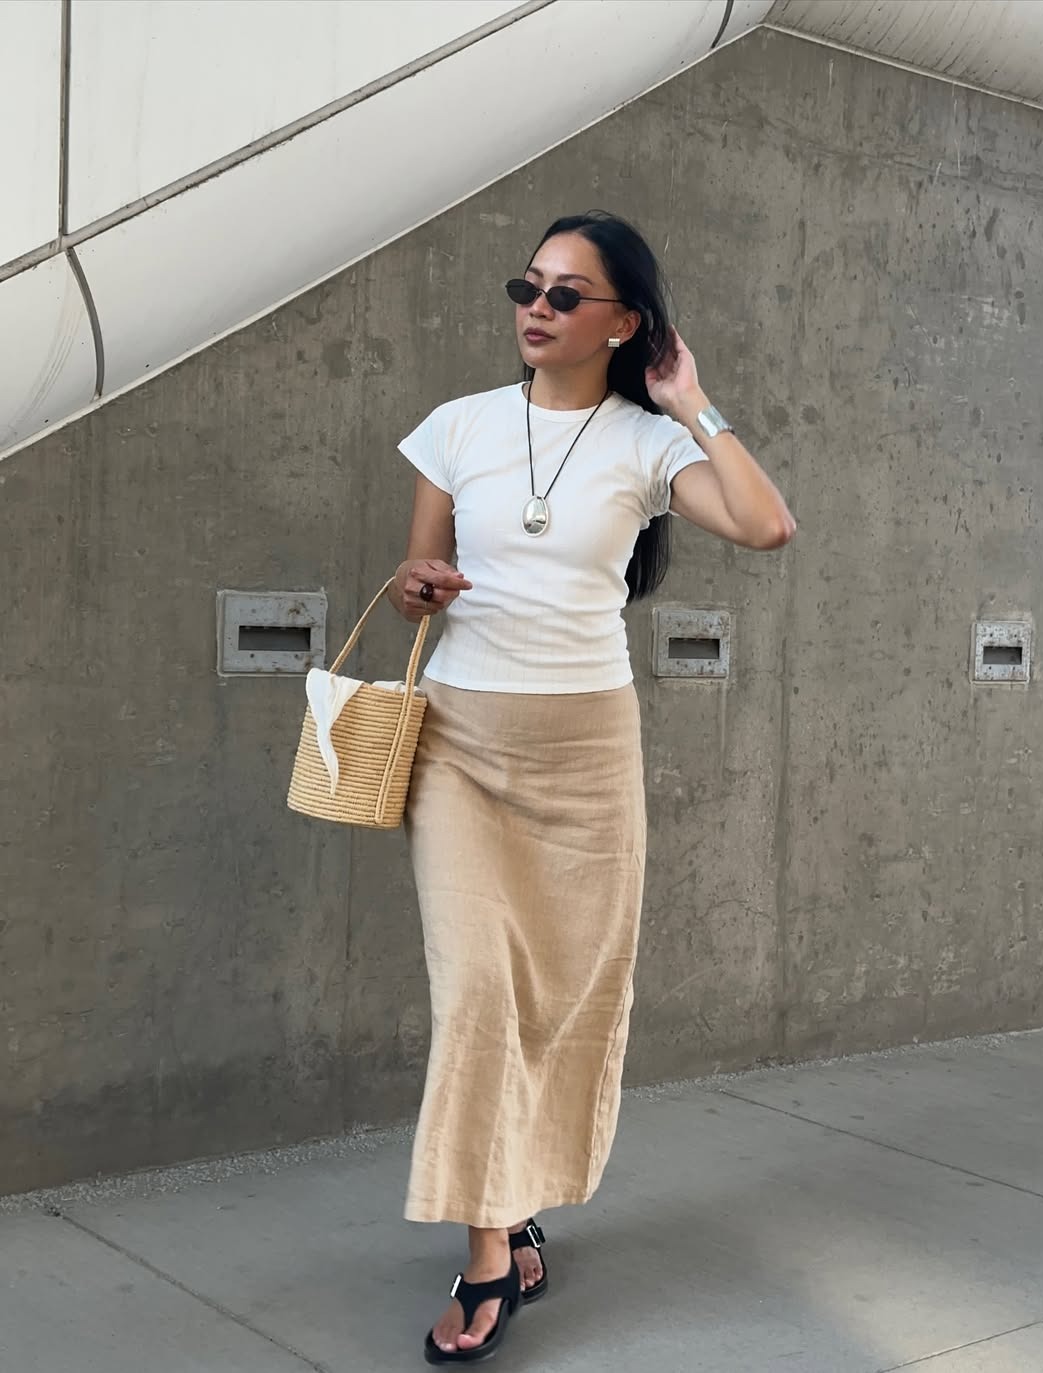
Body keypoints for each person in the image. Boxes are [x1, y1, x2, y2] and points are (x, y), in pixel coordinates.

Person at [389, 209, 796, 1364]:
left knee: (563, 1003)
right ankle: (484, 1254)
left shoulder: (646, 443)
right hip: (462, 743)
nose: (536, 305)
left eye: (568, 294)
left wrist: (692, 402)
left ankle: (518, 1202)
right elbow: (420, 573)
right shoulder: (455, 427)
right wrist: (418, 583)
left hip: (586, 754)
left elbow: (768, 523)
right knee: (476, 996)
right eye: (528, 284)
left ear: (625, 323)